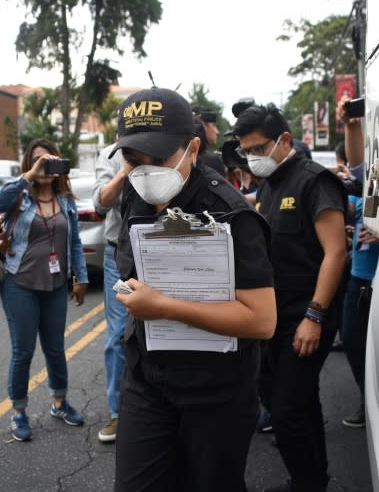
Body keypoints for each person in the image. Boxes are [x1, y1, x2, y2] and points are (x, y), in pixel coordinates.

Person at [112, 87, 277, 492]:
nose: (145, 171)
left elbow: (261, 320)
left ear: (193, 148)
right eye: (134, 160)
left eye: (160, 158)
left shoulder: (230, 212)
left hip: (216, 392)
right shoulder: (133, 196)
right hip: (148, 380)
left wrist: (165, 307)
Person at [233, 103, 347, 492]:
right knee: (296, 403)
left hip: (306, 313)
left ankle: (306, 482)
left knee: (286, 411)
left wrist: (315, 317)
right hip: (275, 315)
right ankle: (313, 480)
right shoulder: (270, 183)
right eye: (246, 152)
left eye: (258, 149)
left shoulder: (315, 181)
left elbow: (335, 252)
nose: (252, 158)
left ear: (284, 139)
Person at [0, 138, 88, 442]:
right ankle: (19, 412)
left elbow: (73, 242)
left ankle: (59, 402)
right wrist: (28, 177)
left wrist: (80, 277)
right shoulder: (19, 196)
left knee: (56, 347)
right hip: (19, 283)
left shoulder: (67, 201)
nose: (44, 165)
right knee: (23, 352)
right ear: (29, 164)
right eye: (37, 160)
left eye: (49, 160)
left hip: (56, 285)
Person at [336, 96, 379, 429]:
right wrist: (351, 124)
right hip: (358, 275)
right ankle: (368, 399)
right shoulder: (373, 173)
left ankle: (378, 407)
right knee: (352, 340)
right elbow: (355, 168)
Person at [92, 142, 132, 442]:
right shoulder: (110, 154)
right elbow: (100, 202)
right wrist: (126, 170)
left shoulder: (166, 147)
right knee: (118, 333)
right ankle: (118, 414)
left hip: (156, 249)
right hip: (118, 256)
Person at [193, 109, 226, 176]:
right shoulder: (213, 161)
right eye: (213, 125)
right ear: (202, 125)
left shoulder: (182, 157)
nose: (217, 132)